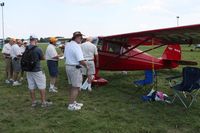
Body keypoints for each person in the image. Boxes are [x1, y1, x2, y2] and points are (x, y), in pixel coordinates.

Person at [25, 35, 52, 107]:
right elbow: (43, 58)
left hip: (28, 70)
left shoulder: (26, 48)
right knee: (42, 86)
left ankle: (33, 102)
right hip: (37, 70)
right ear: (35, 40)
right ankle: (43, 102)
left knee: (31, 86)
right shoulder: (38, 49)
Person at [64, 31, 88, 111]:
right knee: (76, 87)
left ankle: (73, 102)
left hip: (68, 66)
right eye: (81, 38)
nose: (81, 39)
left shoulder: (68, 45)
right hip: (75, 68)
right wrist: (87, 66)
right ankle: (71, 105)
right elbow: (81, 60)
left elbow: (65, 56)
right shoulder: (76, 46)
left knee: (72, 86)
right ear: (77, 37)